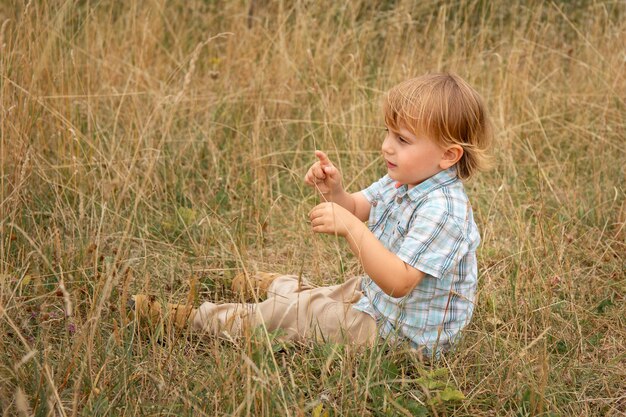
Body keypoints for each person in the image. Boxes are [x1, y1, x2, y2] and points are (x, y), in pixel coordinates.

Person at [132, 73, 492, 357]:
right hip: (380, 302)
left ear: (448, 156)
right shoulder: (406, 179)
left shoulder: (443, 210)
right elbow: (355, 207)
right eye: (388, 133)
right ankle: (277, 286)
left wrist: (351, 227)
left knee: (298, 315)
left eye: (403, 139)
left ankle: (191, 319)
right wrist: (334, 192)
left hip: (401, 336)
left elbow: (398, 282)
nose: (386, 146)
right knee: (331, 293)